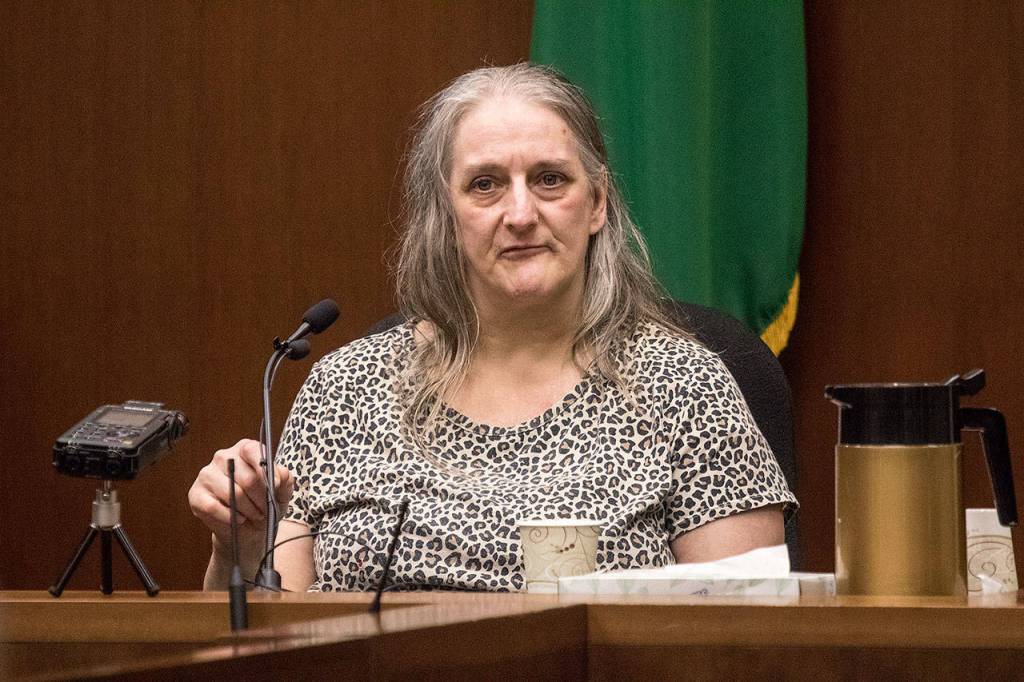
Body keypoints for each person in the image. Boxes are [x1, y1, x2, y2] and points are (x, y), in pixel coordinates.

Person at [188, 63, 796, 593]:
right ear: (446, 216)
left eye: (550, 179)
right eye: (485, 185)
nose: (521, 214)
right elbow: (267, 644)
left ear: (599, 204)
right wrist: (238, 546)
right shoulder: (344, 388)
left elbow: (740, 644)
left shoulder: (688, 389)